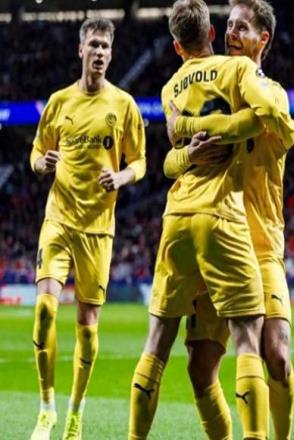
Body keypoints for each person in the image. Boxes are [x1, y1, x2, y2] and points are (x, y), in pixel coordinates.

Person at [127, 1, 294, 439]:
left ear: (263, 39)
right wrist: (187, 148)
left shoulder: (269, 93)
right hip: (217, 232)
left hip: (260, 242)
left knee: (276, 354)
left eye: (243, 27)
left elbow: (281, 127)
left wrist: (192, 127)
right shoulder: (217, 81)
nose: (232, 32)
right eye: (230, 25)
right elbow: (169, 161)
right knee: (200, 369)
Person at [29, 18, 146, 440]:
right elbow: (36, 153)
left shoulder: (124, 105)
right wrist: (42, 164)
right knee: (45, 310)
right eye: (93, 45)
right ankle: (46, 409)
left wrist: (122, 177)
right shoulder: (59, 102)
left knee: (87, 325)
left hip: (98, 230)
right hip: (58, 219)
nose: (99, 52)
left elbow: (140, 162)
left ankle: (75, 414)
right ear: (80, 50)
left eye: (105, 47)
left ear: (111, 55)